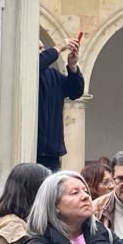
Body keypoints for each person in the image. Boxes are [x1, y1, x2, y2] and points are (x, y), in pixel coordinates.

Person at [37, 39, 84, 171]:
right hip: (33, 147)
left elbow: (75, 91)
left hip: (52, 150)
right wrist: (59, 46)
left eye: (43, 48)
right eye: (39, 49)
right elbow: (37, 65)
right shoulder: (30, 70)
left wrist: (73, 66)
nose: (44, 52)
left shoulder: (53, 74)